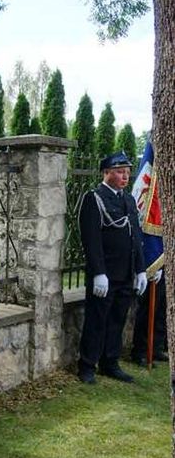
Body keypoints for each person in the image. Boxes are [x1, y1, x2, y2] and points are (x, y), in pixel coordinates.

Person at [78, 151, 146, 385]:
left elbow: (135, 236)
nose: (125, 176)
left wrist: (140, 269)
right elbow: (91, 239)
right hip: (105, 274)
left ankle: (110, 362)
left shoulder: (127, 199)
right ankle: (87, 365)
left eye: (127, 172)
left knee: (117, 320)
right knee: (97, 320)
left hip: (125, 273)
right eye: (119, 172)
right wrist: (98, 272)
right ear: (106, 173)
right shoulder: (94, 198)